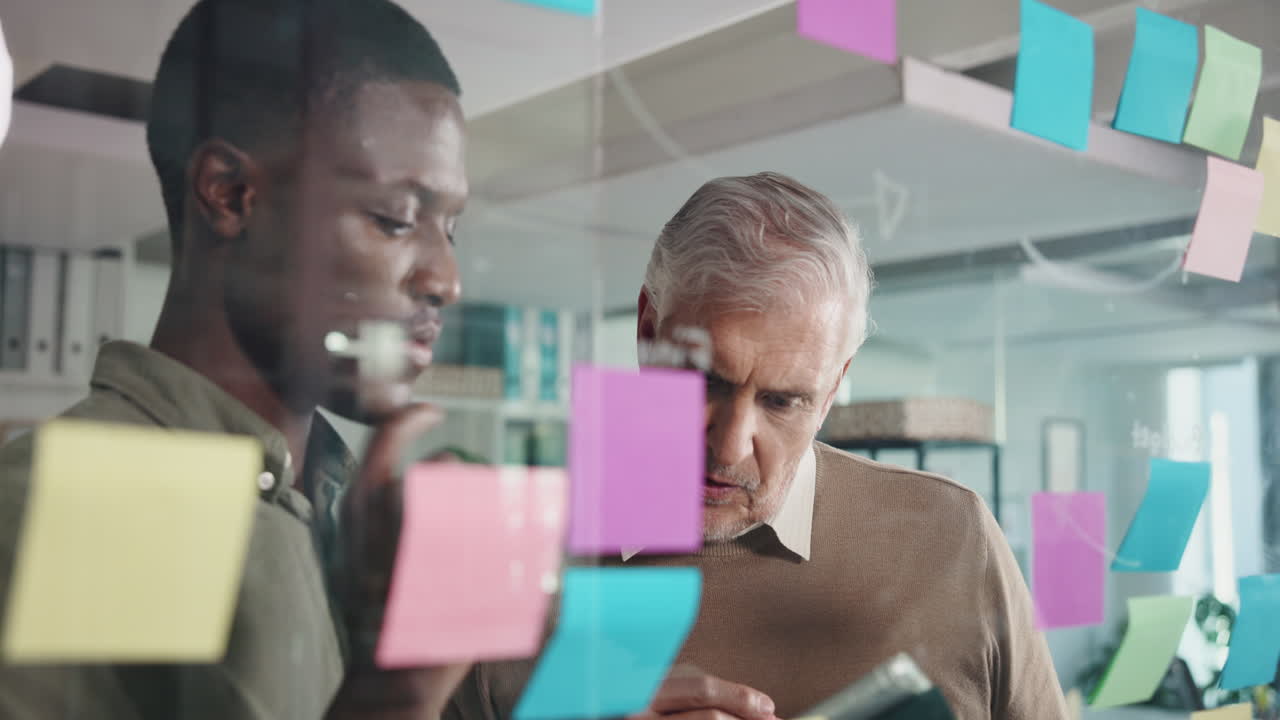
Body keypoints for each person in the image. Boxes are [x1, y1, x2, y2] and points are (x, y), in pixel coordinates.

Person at [445, 172, 1070, 720]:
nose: (729, 446)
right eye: (706, 382)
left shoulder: (951, 539)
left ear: (833, 389)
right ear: (646, 332)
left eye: (783, 401)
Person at [0, 0, 471, 717]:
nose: (446, 278)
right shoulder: (70, 507)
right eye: (396, 218)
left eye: (451, 228)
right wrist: (390, 700)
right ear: (228, 194)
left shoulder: (347, 508)